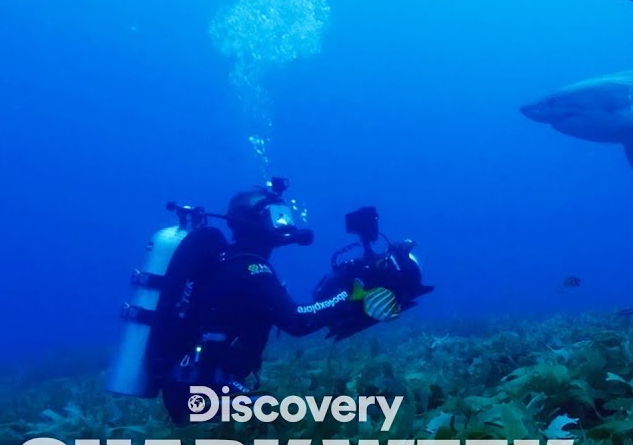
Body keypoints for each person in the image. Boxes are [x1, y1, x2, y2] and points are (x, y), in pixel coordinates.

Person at [108, 178, 432, 424]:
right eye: (277, 216)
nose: (285, 224)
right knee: (310, 421)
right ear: (256, 221)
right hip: (201, 394)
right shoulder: (250, 267)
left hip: (196, 386)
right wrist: (352, 296)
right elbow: (298, 320)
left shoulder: (233, 261)